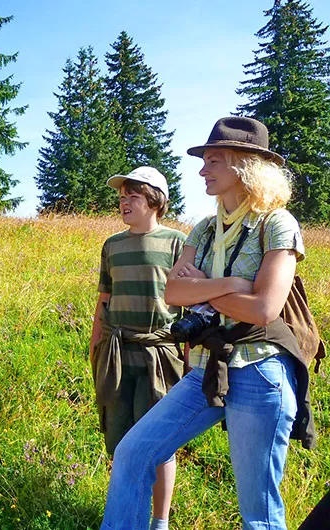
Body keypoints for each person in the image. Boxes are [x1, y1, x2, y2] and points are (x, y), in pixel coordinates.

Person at [101, 117, 309, 530]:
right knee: (132, 452)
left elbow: (265, 308)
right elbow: (173, 294)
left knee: (258, 511)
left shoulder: (277, 224)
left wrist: (204, 287)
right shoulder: (206, 228)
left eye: (213, 160)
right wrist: (233, 284)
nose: (201, 170)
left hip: (260, 369)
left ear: (245, 166)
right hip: (205, 369)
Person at [90, 167, 185, 530]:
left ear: (155, 200)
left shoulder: (178, 243)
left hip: (160, 355)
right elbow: (104, 299)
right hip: (116, 353)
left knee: (159, 441)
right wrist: (95, 347)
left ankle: (159, 522)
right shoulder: (112, 245)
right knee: (119, 438)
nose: (123, 203)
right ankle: (128, 515)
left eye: (132, 196)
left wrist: (189, 358)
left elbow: (190, 306)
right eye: (121, 197)